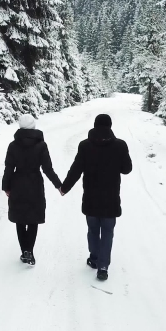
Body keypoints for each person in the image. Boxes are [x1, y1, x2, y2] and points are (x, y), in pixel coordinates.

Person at [60, 114, 132, 281]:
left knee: (93, 229)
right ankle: (103, 266)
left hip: (91, 196)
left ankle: (94, 258)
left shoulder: (85, 145)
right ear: (110, 126)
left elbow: (76, 169)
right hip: (111, 197)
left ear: (95, 125)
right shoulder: (120, 145)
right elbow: (127, 169)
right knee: (107, 231)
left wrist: (64, 187)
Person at [2, 114, 62, 265]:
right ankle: (29, 250)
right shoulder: (41, 145)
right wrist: (59, 185)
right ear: (34, 126)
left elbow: (9, 168)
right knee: (33, 218)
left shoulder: (13, 145)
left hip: (18, 183)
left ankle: (25, 252)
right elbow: (47, 169)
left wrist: (6, 187)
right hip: (35, 183)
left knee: (20, 219)